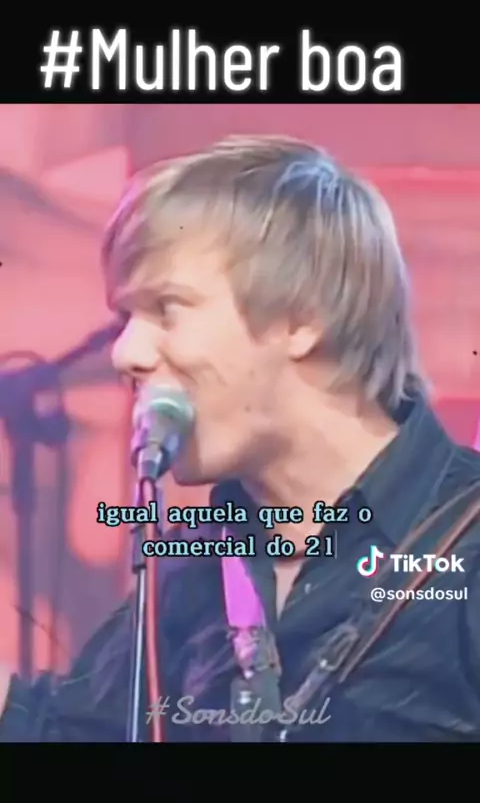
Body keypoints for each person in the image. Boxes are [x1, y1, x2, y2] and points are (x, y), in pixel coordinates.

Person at [1, 134, 480, 742]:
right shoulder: (196, 565)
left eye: (166, 309)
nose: (125, 352)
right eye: (125, 318)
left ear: (303, 317)